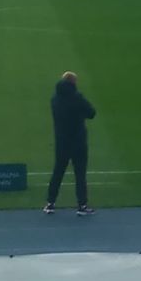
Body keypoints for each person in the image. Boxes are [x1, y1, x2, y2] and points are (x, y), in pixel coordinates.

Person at [44, 71, 95, 217]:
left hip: (62, 142)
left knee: (58, 172)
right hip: (78, 142)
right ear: (73, 83)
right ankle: (82, 205)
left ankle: (50, 203)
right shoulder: (77, 98)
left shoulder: (55, 99)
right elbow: (91, 113)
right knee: (80, 175)